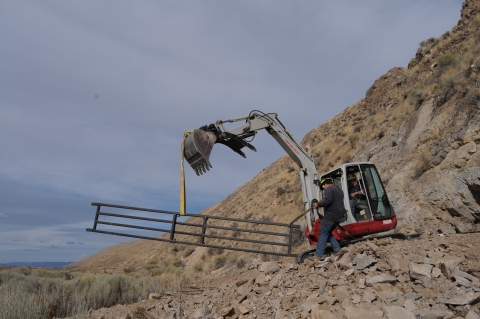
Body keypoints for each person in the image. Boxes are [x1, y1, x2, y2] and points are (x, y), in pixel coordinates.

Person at [312, 178, 344, 260]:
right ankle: (337, 250)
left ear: (325, 184)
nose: (324, 189)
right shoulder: (339, 189)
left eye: (323, 187)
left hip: (330, 216)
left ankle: (319, 254)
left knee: (323, 232)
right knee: (328, 232)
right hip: (338, 216)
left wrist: (318, 205)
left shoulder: (329, 189)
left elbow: (328, 201)